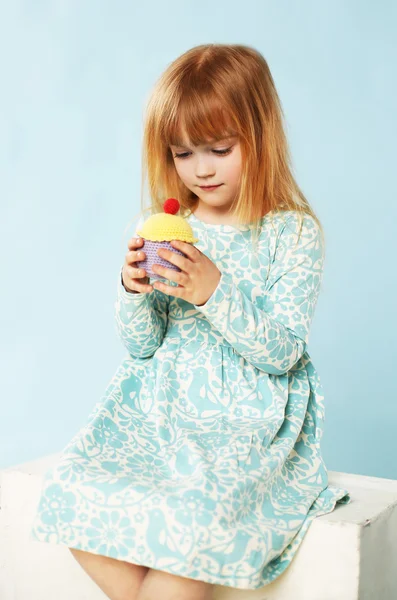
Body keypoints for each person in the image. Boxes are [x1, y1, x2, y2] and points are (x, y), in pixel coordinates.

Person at [30, 43, 351, 599]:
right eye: (182, 154)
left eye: (219, 149)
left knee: (195, 528)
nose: (200, 169)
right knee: (71, 486)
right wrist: (131, 292)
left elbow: (282, 352)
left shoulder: (291, 233)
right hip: (163, 412)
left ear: (260, 134)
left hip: (246, 424)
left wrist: (213, 290)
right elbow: (142, 344)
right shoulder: (165, 224)